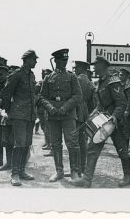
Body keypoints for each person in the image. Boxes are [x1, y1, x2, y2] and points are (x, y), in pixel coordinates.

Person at [71, 56, 129, 188]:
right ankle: (87, 179)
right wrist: (92, 115)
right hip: (103, 121)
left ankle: (127, 177)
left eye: (96, 65)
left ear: (102, 65)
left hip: (116, 122)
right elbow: (99, 105)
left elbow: (121, 103)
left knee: (122, 150)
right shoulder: (99, 82)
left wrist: (115, 116)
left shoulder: (113, 81)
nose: (94, 67)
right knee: (92, 147)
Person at [39, 49, 82, 183]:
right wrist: (50, 107)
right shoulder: (48, 77)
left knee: (72, 143)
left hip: (68, 115)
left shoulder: (71, 77)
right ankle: (59, 171)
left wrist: (65, 107)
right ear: (56, 61)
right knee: (55, 144)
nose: (65, 62)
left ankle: (74, 171)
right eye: (62, 60)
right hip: (53, 116)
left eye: (66, 60)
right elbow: (42, 96)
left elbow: (77, 95)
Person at [1, 50, 38, 186]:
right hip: (19, 116)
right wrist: (9, 111)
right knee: (19, 143)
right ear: (27, 60)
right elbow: (6, 93)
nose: (36, 62)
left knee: (27, 143)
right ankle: (15, 174)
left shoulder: (32, 76)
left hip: (30, 115)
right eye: (34, 59)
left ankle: (22, 170)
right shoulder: (16, 74)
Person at [73, 60, 95, 176]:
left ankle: (77, 168)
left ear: (81, 68)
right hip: (85, 112)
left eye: (76, 68)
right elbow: (92, 102)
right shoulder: (89, 81)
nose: (75, 70)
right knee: (83, 141)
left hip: (77, 112)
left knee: (76, 141)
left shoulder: (79, 79)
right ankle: (82, 167)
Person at [40, 69, 54, 157]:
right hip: (46, 108)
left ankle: (52, 147)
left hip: (51, 108)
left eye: (47, 74)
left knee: (51, 129)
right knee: (46, 128)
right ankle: (49, 144)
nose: (45, 75)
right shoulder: (44, 83)